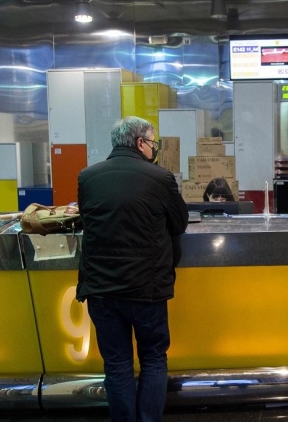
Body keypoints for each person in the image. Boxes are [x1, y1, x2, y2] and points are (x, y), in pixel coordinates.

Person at [76, 116, 189, 422]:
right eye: (153, 143)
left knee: (116, 364)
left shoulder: (88, 176)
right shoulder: (160, 177)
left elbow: (88, 222)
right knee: (153, 358)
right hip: (147, 288)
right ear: (140, 143)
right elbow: (180, 223)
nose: (154, 149)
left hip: (102, 290)